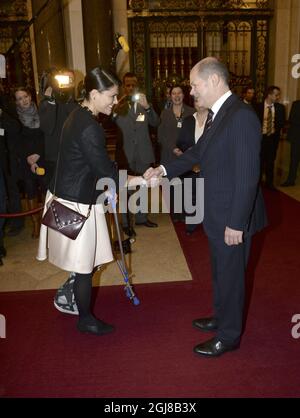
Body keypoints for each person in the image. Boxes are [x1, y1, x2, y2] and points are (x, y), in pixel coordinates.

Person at [144, 57, 267, 357]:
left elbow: (248, 176)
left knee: (232, 276)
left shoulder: (240, 116)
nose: (191, 91)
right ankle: (221, 317)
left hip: (232, 217)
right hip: (216, 212)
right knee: (220, 273)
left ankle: (229, 335)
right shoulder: (218, 113)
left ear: (214, 81)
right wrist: (163, 170)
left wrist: (237, 222)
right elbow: (198, 151)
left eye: (194, 84)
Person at [37, 67, 144, 336]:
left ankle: (66, 297)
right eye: (111, 95)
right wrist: (143, 179)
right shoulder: (89, 127)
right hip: (76, 204)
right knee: (85, 266)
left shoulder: (76, 115)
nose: (115, 100)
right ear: (94, 94)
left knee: (84, 261)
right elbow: (108, 176)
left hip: (66, 197)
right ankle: (85, 319)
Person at [113, 72, 159, 237]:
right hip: (125, 154)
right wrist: (116, 105)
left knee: (142, 187)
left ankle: (141, 218)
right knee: (124, 189)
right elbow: (108, 122)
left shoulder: (144, 104)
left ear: (137, 86)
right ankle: (126, 223)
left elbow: (156, 123)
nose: (131, 87)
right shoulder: (118, 105)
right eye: (128, 85)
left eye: (133, 84)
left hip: (143, 152)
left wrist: (148, 107)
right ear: (124, 86)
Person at [175, 97, 208, 234]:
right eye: (196, 101)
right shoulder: (188, 120)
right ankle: (191, 225)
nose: (199, 103)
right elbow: (181, 141)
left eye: (201, 100)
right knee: (191, 195)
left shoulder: (215, 120)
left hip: (209, 165)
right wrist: (184, 151)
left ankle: (208, 224)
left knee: (208, 195)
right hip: (191, 165)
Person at [255, 86, 286, 190]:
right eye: (276, 95)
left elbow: (281, 123)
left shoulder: (280, 108)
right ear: (269, 95)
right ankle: (257, 183)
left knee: (271, 161)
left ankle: (269, 183)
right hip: (259, 139)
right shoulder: (257, 107)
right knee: (259, 161)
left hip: (272, 139)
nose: (278, 97)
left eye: (278, 95)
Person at [281, 99, 300, 187]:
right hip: (297, 137)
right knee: (294, 159)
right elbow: (292, 119)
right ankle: (291, 179)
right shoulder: (296, 104)